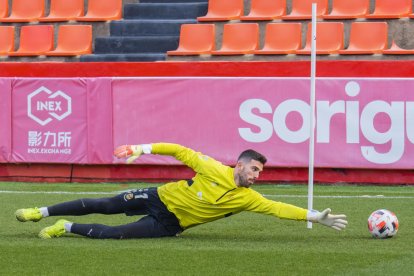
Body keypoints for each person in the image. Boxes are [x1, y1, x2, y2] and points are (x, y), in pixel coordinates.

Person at [15, 143, 348, 239]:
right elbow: (178, 149)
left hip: (170, 225)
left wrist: (314, 216)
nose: (258, 175)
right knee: (102, 203)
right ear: (239, 165)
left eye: (260, 171)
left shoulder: (249, 199)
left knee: (116, 235)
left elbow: (278, 208)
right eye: (255, 169)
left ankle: (65, 228)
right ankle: (40, 212)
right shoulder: (212, 167)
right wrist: (140, 147)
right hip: (158, 196)